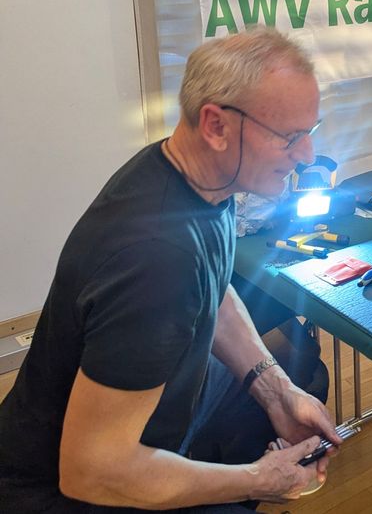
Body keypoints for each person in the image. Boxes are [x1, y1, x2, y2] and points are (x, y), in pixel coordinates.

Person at [0, 28, 341, 512]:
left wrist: (276, 390)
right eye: (289, 136)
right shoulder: (156, 262)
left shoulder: (200, 177)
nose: (307, 154)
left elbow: (215, 291)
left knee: (300, 374)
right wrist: (254, 479)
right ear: (216, 125)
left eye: (310, 131)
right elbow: (92, 472)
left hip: (142, 428)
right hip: (61, 487)